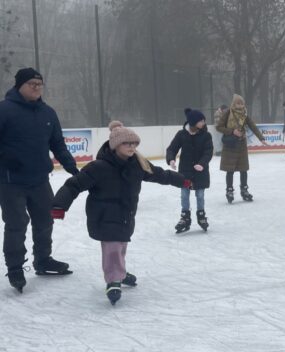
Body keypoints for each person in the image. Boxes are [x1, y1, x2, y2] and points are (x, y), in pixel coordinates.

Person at [51, 122, 190, 305]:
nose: (132, 147)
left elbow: (159, 174)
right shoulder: (98, 167)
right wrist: (59, 206)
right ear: (116, 145)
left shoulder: (138, 165)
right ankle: (114, 280)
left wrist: (182, 181)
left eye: (134, 144)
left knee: (120, 246)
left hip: (125, 214)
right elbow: (74, 184)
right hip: (103, 214)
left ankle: (120, 273)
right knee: (113, 248)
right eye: (127, 144)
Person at [0, 67, 79, 293]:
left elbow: (58, 144)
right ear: (19, 86)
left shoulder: (48, 113)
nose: (36, 88)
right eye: (31, 84)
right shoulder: (4, 110)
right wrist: (5, 158)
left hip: (39, 180)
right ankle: (15, 267)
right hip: (10, 181)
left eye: (39, 84)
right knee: (16, 225)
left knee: (45, 221)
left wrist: (72, 168)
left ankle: (43, 260)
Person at [167, 108, 214, 233]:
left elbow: (208, 152)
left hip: (200, 172)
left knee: (200, 195)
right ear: (193, 122)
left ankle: (201, 215)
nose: (204, 122)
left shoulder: (206, 135)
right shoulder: (181, 134)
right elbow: (171, 149)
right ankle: (185, 218)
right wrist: (171, 159)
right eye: (201, 120)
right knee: (184, 194)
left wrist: (202, 164)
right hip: (185, 172)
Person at [216, 94, 268, 203]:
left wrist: (261, 138)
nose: (240, 105)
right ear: (234, 103)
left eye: (241, 103)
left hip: (241, 146)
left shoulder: (244, 115)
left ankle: (244, 190)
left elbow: (252, 126)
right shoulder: (227, 113)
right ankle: (229, 190)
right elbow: (219, 127)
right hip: (230, 145)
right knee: (230, 170)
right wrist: (232, 131)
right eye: (238, 103)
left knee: (243, 170)